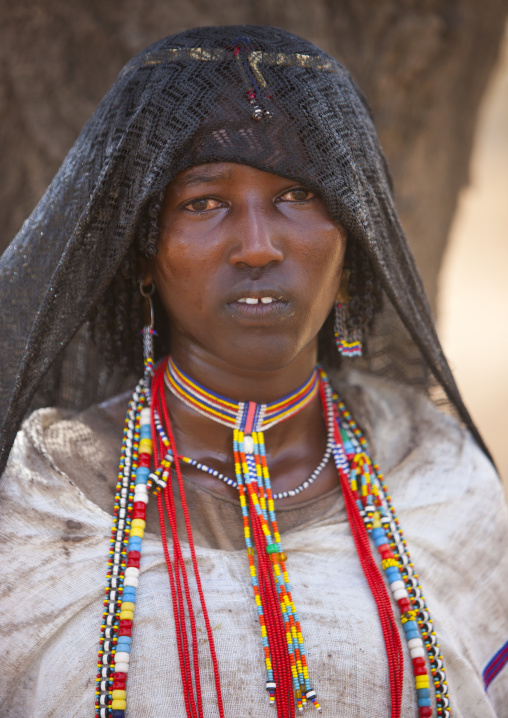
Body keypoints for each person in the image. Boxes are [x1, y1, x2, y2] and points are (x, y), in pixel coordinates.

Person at [0, 25, 507, 718]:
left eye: (298, 197)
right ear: (144, 254)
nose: (259, 247)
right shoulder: (48, 498)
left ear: (351, 239)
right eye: (204, 202)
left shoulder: (438, 477)